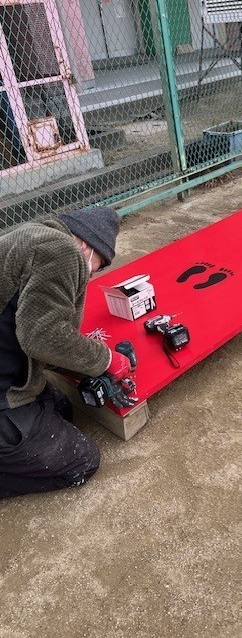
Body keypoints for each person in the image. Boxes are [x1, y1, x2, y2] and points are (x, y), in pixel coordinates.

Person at [0, 207, 133, 498]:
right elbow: (43, 336)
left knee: (62, 409)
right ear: (86, 244)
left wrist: (87, 367)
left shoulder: (34, 237)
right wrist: (107, 359)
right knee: (81, 461)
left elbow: (33, 327)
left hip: (8, 365)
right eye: (98, 265)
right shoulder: (62, 250)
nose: (93, 272)